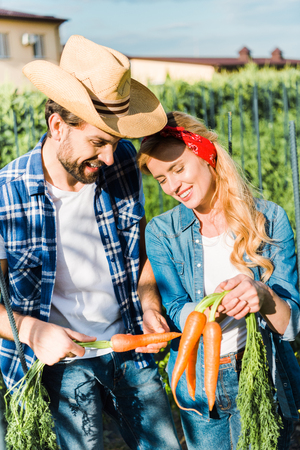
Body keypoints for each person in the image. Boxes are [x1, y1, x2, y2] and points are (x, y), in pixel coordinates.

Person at [0, 35, 182, 450]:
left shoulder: (118, 169)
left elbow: (139, 255)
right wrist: (30, 331)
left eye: (115, 144)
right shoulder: (6, 193)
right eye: (98, 142)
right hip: (59, 363)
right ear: (58, 126)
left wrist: (150, 305)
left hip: (129, 346)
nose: (107, 157)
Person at [137, 111, 300, 450]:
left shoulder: (269, 219)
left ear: (205, 153)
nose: (172, 187)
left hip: (262, 377)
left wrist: (263, 296)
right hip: (197, 382)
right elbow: (175, 306)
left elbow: (293, 325)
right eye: (161, 179)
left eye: (177, 169)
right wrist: (209, 314)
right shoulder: (162, 232)